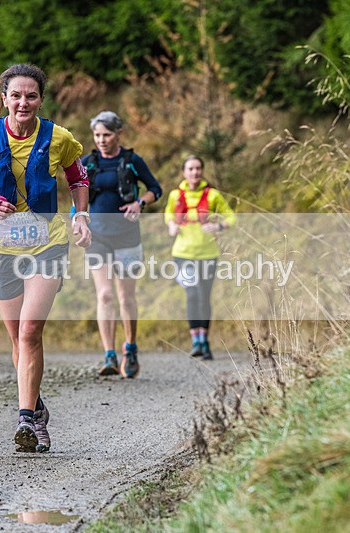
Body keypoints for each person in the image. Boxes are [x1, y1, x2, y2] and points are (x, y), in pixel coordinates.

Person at [0, 63, 91, 453]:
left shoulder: (59, 138)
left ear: (41, 100)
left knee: (29, 332)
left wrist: (81, 216)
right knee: (17, 339)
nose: (23, 102)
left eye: (31, 96)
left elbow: (78, 178)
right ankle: (37, 407)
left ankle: (26, 419)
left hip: (47, 244)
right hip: (0, 248)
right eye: (16, 95)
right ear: (4, 99)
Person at [82, 111, 163, 379]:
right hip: (97, 236)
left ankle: (130, 347)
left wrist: (140, 203)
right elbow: (76, 196)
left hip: (127, 236)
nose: (101, 140)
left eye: (106, 135)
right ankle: (109, 354)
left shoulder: (131, 161)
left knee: (126, 297)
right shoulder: (87, 163)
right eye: (97, 135)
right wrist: (77, 220)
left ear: (118, 134)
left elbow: (155, 189)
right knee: (105, 294)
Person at [164, 156, 235, 360]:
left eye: (198, 168)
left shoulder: (213, 195)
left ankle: (204, 341)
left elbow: (231, 216)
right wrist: (171, 225)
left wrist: (218, 226)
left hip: (208, 254)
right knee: (192, 293)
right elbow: (168, 214)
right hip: (183, 254)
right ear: (184, 172)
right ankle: (195, 340)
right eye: (191, 169)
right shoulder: (175, 195)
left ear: (202, 171)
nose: (195, 172)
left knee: (204, 296)